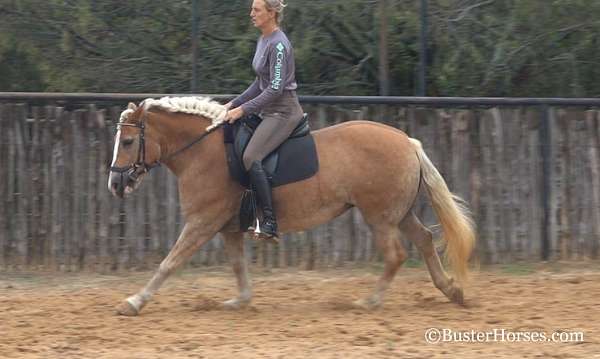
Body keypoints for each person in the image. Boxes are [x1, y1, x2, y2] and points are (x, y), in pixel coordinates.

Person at [224, 0, 304, 240]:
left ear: (271, 13)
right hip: (267, 110)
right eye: (252, 9)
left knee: (251, 156)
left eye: (256, 10)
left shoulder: (279, 45)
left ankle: (269, 221)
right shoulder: (263, 40)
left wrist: (243, 110)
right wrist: (233, 103)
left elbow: (276, 88)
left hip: (283, 112)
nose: (251, 14)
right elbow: (260, 83)